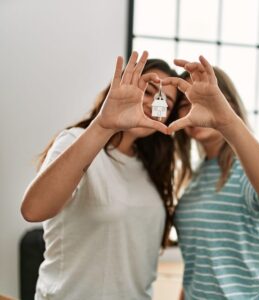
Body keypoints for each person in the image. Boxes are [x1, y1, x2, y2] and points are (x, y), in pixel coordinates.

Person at [20, 51, 178, 300]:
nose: (152, 102)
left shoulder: (153, 167)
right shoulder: (75, 141)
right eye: (146, 91)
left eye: (165, 102)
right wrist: (105, 125)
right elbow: (34, 210)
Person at [164, 56, 259, 299]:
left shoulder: (251, 162)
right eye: (184, 102)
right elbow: (200, 262)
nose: (194, 105)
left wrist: (225, 121)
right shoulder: (194, 177)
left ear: (230, 105)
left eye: (205, 98)